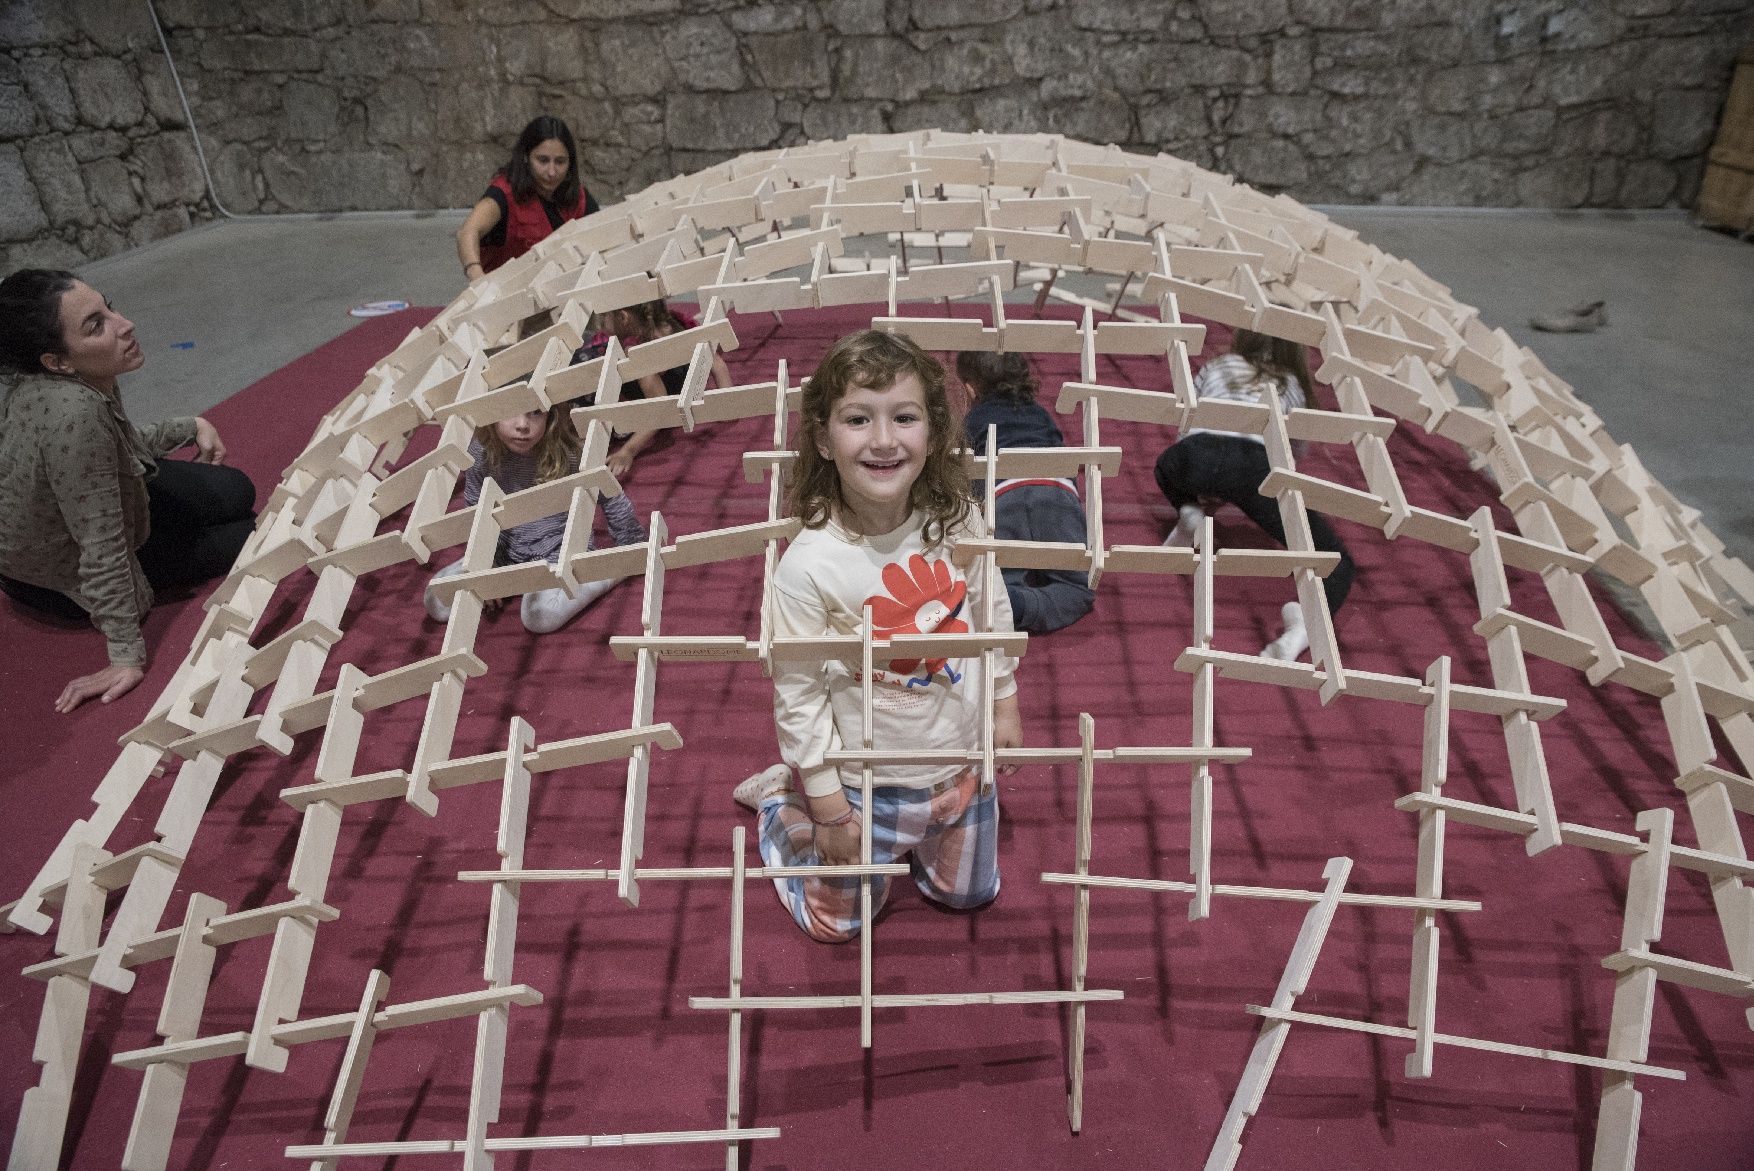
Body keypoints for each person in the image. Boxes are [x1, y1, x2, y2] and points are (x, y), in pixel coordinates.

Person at [732, 330, 1023, 944]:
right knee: (836, 927)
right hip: (864, 786)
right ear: (823, 438)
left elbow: (990, 610)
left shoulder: (958, 520)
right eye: (859, 419)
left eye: (906, 417)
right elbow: (799, 692)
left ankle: (927, 838)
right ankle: (781, 802)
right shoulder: (808, 564)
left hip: (961, 770)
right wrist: (830, 806)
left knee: (970, 897)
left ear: (934, 432)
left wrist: (1003, 699)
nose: (885, 440)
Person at [0, 269, 256, 712]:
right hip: (58, 569)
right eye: (96, 325)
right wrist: (125, 655)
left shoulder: (76, 374)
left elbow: (117, 444)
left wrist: (189, 426)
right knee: (248, 535)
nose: (125, 324)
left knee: (234, 490)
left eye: (109, 307)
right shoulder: (73, 416)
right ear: (56, 361)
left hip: (78, 505)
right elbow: (99, 544)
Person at [1153, 327, 1356, 661]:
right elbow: (1291, 454)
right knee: (1335, 559)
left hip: (1196, 453)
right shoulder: (1291, 384)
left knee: (1167, 466)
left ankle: (1189, 513)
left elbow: (1186, 422)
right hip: (1253, 465)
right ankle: (1303, 630)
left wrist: (1202, 483)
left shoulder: (1220, 364)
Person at [424, 402, 645, 632]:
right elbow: (475, 509)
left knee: (539, 617)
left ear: (550, 416)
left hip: (556, 551)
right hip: (504, 551)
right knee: (436, 599)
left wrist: (630, 544)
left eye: (535, 413)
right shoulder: (480, 453)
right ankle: (512, 581)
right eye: (510, 411)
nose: (523, 425)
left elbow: (609, 494)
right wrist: (483, 564)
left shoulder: (569, 452)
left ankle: (611, 570)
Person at [958, 349, 1095, 635]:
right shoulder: (1042, 415)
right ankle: (1028, 605)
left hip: (1003, 495)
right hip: (1057, 495)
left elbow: (969, 477)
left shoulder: (972, 421)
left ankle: (1010, 601)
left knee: (995, 579)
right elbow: (1063, 460)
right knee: (1075, 587)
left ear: (970, 391)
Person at [592, 299, 735, 479]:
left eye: (605, 317)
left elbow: (660, 410)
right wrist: (727, 400)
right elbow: (716, 362)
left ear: (622, 317)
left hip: (664, 395)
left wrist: (627, 451)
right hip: (684, 378)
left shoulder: (639, 353)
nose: (602, 324)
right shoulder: (673, 324)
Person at [455, 115, 599, 280]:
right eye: (542, 160)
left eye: (560, 162)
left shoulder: (579, 199)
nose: (551, 172)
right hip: (504, 296)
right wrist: (477, 277)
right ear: (526, 157)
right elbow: (467, 232)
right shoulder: (504, 194)